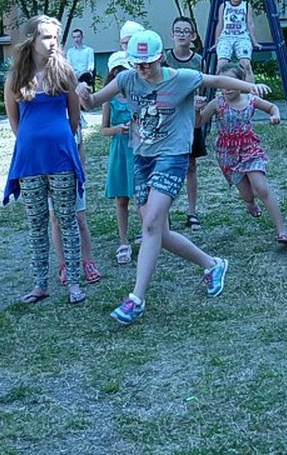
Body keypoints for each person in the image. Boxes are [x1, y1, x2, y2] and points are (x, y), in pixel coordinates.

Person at [79, 30, 271, 324]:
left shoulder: (181, 78)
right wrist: (82, 93)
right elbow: (91, 102)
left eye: (147, 62)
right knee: (159, 232)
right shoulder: (127, 79)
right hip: (142, 158)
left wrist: (250, 87)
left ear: (160, 57)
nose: (142, 68)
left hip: (172, 157)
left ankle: (136, 299)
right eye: (137, 63)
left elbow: (217, 81)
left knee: (151, 224)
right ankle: (213, 264)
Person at [3, 15, 87, 305]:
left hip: (61, 157)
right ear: (32, 40)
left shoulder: (65, 72)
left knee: (67, 220)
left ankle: (74, 282)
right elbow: (15, 123)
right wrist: (34, 140)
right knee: (37, 222)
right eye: (46, 37)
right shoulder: (15, 77)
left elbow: (74, 118)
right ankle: (40, 284)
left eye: (54, 37)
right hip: (29, 160)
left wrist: (58, 139)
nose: (52, 43)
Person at [198, 65, 287, 245]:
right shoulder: (217, 103)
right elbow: (199, 122)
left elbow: (272, 107)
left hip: (249, 148)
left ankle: (282, 230)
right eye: (223, 84)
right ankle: (250, 203)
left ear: (241, 83)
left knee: (261, 187)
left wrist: (275, 115)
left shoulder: (251, 99)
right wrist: (196, 110)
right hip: (227, 153)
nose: (227, 88)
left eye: (231, 83)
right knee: (247, 194)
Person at [163, 16, 207, 231]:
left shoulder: (199, 61)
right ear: (172, 34)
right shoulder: (163, 59)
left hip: (189, 120)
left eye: (186, 31)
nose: (181, 34)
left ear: (193, 36)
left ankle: (192, 212)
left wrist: (199, 103)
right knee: (166, 166)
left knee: (191, 166)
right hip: (168, 120)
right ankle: (165, 213)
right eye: (178, 31)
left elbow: (202, 89)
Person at [100, 51, 136, 266]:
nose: (121, 75)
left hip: (138, 148)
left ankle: (148, 234)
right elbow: (104, 129)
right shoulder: (109, 100)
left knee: (143, 196)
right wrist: (117, 129)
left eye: (124, 70)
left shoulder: (138, 94)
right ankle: (123, 241)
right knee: (122, 198)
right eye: (117, 71)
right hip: (120, 150)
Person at [214, 0, 260, 82]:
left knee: (246, 64)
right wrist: (216, 43)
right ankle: (220, 89)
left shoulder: (246, 5)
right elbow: (220, 24)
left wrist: (254, 42)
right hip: (226, 38)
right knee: (221, 64)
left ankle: (250, 89)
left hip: (242, 37)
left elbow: (250, 24)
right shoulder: (224, 6)